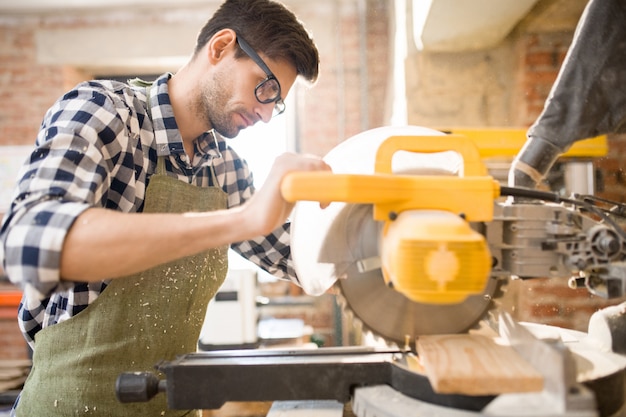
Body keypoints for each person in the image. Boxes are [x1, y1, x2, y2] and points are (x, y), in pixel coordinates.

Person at [0, 0, 330, 415]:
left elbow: (306, 260)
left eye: (276, 103)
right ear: (221, 46)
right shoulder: (105, 111)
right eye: (265, 88)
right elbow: (31, 243)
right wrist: (240, 220)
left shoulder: (225, 169)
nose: (265, 114)